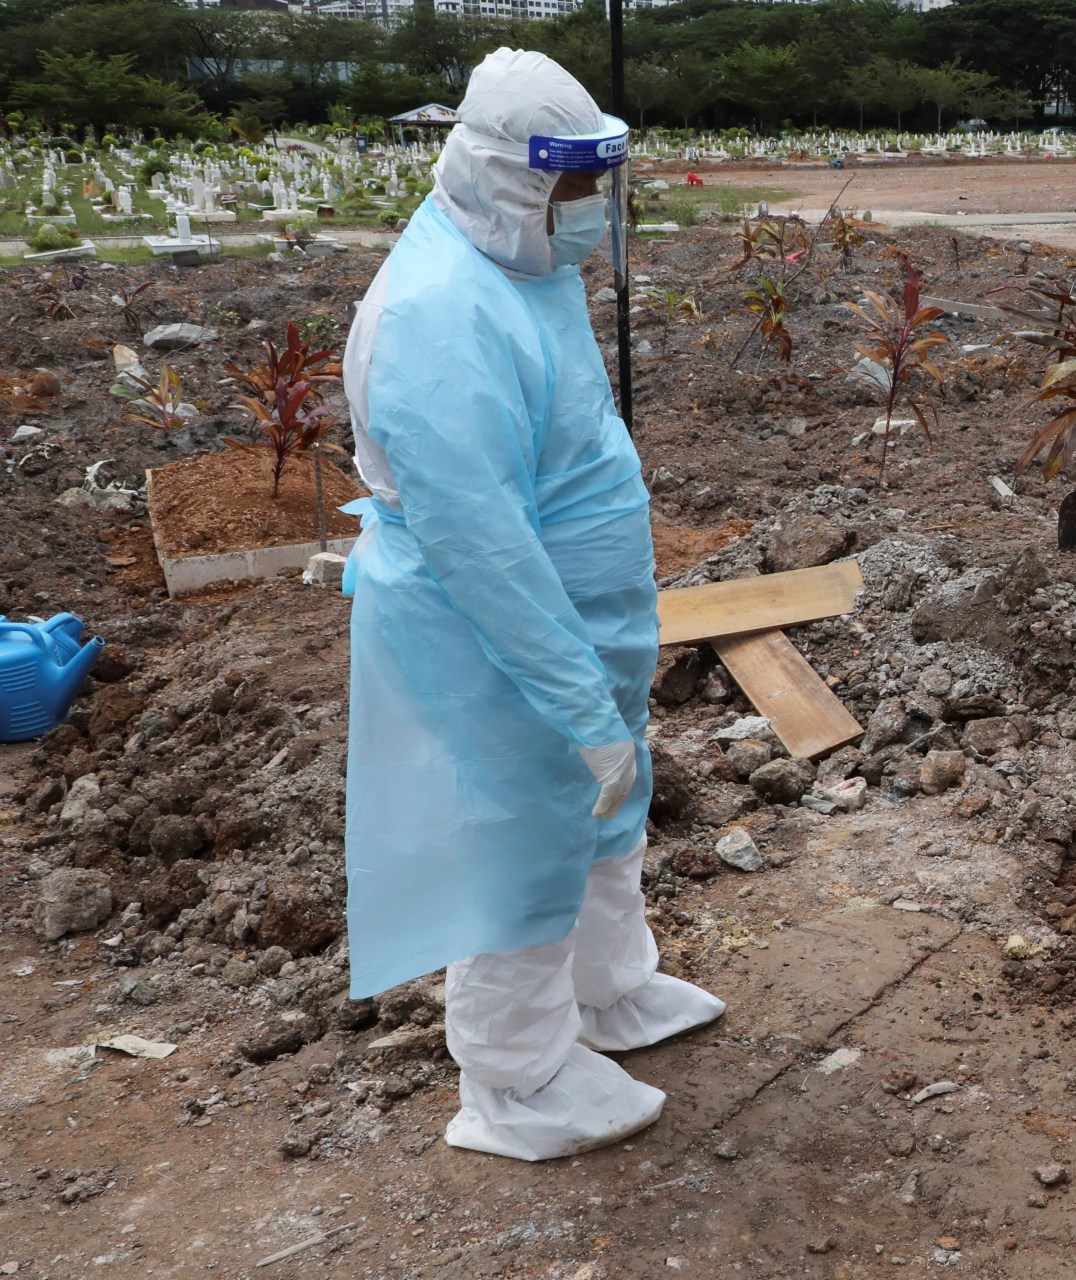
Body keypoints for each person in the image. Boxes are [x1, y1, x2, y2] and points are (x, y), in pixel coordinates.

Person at [337, 48, 723, 1163]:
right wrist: (577, 701)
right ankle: (514, 1079)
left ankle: (609, 988)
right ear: (507, 180)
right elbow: (486, 551)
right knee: (517, 834)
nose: (590, 213)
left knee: (604, 805)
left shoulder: (514, 267)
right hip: (497, 631)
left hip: (581, 609)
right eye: (571, 190)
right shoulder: (438, 318)